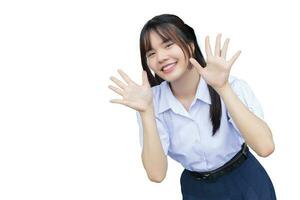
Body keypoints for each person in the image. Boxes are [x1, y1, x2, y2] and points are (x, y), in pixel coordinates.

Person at [108, 14, 277, 199]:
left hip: (245, 181)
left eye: (168, 45)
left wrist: (223, 88)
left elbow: (265, 147)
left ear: (190, 45)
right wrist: (146, 112)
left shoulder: (230, 85)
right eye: (151, 53)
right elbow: (156, 175)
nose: (161, 57)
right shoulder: (150, 102)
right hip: (196, 189)